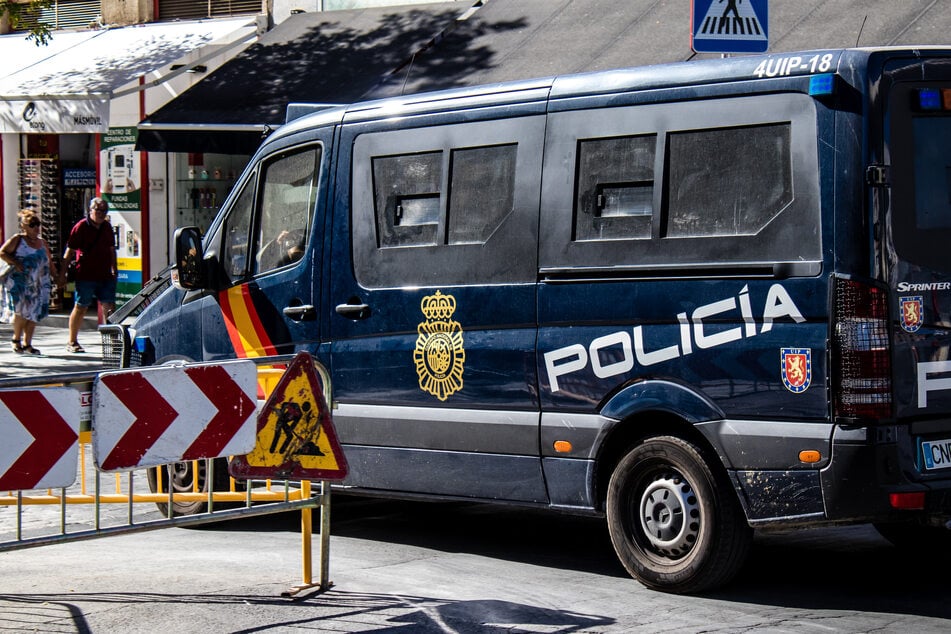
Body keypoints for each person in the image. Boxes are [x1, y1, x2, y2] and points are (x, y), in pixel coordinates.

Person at [61, 197, 118, 353]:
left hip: (105, 275)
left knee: (109, 307)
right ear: (90, 210)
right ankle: (72, 341)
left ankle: (113, 343)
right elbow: (69, 251)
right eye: (98, 210)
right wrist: (62, 274)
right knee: (81, 306)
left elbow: (111, 250)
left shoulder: (106, 227)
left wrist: (115, 268)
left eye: (104, 211)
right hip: (85, 275)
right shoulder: (80, 227)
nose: (101, 214)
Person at [0, 210, 58, 354]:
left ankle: (28, 343)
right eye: (32, 225)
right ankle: (16, 339)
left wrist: (57, 276)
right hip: (21, 283)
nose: (36, 228)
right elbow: (2, 252)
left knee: (35, 312)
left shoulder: (42, 242)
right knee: (21, 311)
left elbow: (49, 261)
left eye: (38, 224)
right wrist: (15, 262)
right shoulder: (18, 239)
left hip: (39, 283)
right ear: (24, 226)